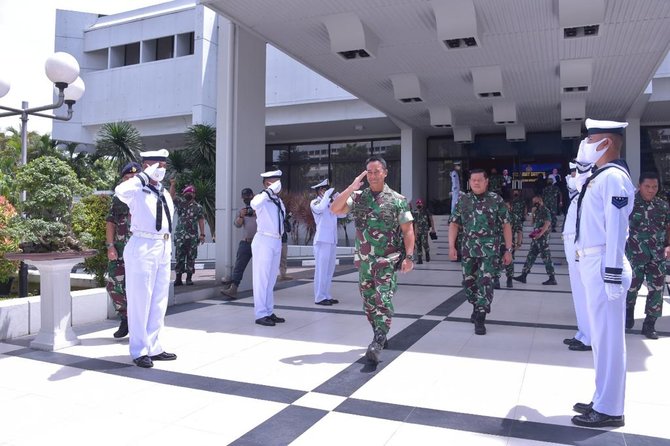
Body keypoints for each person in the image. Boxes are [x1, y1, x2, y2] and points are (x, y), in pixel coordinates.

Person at [570, 118, 635, 428]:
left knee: (609, 341)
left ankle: (610, 409)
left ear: (606, 143)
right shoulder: (600, 176)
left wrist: (611, 273)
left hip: (604, 264)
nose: (585, 145)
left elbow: (617, 228)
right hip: (593, 262)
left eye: (590, 139)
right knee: (601, 340)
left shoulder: (614, 178)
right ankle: (602, 399)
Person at [331, 155, 415, 364]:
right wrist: (351, 187)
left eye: (377, 171)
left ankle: (377, 342)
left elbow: (408, 230)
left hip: (387, 260)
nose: (373, 175)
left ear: (385, 173)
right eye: (369, 172)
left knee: (383, 299)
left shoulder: (397, 199)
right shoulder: (358, 197)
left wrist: (409, 257)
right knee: (368, 303)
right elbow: (335, 209)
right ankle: (380, 330)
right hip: (364, 262)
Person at [114, 149, 177, 368]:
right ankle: (139, 349)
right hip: (142, 246)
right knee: (140, 299)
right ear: (148, 165)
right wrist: (142, 175)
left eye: (164, 166)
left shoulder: (163, 192)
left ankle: (154, 346)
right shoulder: (136, 189)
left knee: (159, 300)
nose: (163, 170)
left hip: (163, 245)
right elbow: (119, 190)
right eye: (158, 166)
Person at [448, 169, 513, 335]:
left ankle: (481, 317)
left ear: (486, 181)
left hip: (490, 250)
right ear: (469, 182)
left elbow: (506, 225)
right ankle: (477, 305)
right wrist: (451, 246)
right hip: (468, 249)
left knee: (485, 281)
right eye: (473, 180)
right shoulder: (463, 201)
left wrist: (508, 249)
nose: (476, 183)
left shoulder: (496, 200)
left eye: (479, 180)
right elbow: (454, 224)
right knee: (469, 284)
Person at [625, 171, 670, 339]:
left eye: (655, 187)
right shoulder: (629, 203)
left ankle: (649, 325)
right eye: (647, 186)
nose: (651, 190)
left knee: (657, 290)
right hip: (633, 254)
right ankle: (628, 313)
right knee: (631, 287)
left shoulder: (663, 205)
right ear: (639, 186)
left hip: (657, 255)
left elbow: (668, 226)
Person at [105, 161, 141, 339]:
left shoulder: (148, 195)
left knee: (140, 289)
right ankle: (125, 319)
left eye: (134, 177)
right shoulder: (118, 198)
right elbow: (110, 222)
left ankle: (140, 327)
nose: (131, 180)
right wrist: (110, 246)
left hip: (141, 252)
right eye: (127, 178)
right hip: (120, 250)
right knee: (113, 285)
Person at [250, 169, 287, 326]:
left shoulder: (277, 201)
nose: (279, 186)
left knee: (271, 280)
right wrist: (268, 191)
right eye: (275, 182)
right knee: (261, 280)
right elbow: (254, 203)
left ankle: (268, 311)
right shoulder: (262, 198)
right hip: (264, 240)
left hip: (276, 241)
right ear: (267, 184)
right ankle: (260, 314)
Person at [562, 161, 593, 352]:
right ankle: (583, 332)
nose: (572, 176)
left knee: (585, 292)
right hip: (571, 243)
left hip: (582, 245)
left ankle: (590, 337)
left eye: (576, 173)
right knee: (578, 292)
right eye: (572, 172)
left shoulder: (590, 193)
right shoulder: (578, 195)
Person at [310, 179, 346, 306]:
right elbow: (320, 209)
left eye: (327, 190)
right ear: (320, 191)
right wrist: (326, 197)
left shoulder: (330, 203)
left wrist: (339, 200)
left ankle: (326, 294)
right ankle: (319, 297)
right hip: (322, 241)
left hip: (332, 240)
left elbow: (343, 215)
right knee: (321, 270)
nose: (327, 192)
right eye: (324, 189)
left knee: (329, 270)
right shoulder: (315, 202)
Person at [221, 188, 257, 299]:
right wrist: (241, 215)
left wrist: (257, 212)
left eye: (249, 196)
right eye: (245, 196)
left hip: (259, 242)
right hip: (246, 242)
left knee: (261, 268)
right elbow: (237, 225)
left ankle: (262, 290)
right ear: (242, 198)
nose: (247, 198)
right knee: (239, 266)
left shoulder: (261, 208)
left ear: (253, 195)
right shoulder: (242, 210)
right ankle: (233, 289)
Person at [513, 195, 557, 285]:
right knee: (530, 257)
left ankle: (552, 278)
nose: (534, 204)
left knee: (546, 258)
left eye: (535, 202)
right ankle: (523, 276)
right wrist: (533, 213)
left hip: (543, 239)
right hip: (536, 239)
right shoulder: (536, 211)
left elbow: (547, 223)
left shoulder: (545, 210)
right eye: (533, 202)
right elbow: (532, 223)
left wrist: (540, 234)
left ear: (540, 201)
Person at [169, 181, 206, 286]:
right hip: (180, 236)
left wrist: (202, 234)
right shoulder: (180, 204)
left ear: (194, 195)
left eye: (192, 193)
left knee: (191, 257)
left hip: (193, 237)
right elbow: (171, 196)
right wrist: (172, 185)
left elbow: (201, 220)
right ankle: (178, 278)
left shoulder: (198, 207)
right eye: (187, 193)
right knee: (179, 257)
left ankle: (189, 278)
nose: (190, 194)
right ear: (184, 194)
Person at [412, 198, 435, 264]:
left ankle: (427, 253)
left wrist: (433, 229)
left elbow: (431, 220)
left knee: (424, 243)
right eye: (418, 204)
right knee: (418, 244)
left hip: (424, 230)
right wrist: (415, 233)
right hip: (417, 231)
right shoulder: (415, 213)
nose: (419, 205)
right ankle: (420, 259)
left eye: (420, 203)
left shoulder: (426, 211)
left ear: (422, 204)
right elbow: (415, 223)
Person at [277, 211, 294, 281]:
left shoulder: (284, 220)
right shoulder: (275, 219)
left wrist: (286, 221)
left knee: (283, 259)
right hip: (276, 240)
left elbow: (289, 229)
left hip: (283, 241)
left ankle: (283, 275)